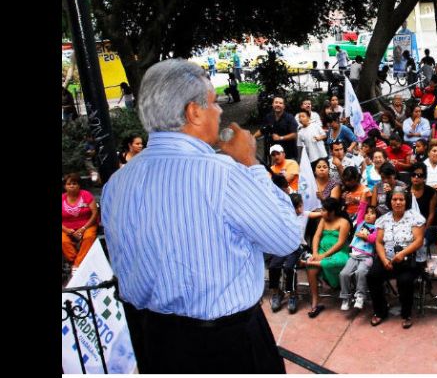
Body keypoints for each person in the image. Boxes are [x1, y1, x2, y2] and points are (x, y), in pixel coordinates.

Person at [101, 59, 301, 373]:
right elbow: (287, 238)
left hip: (156, 343)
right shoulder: (223, 174)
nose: (220, 111)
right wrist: (250, 163)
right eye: (213, 103)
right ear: (194, 112)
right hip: (227, 346)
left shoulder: (117, 184)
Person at [366, 188, 426, 328]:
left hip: (408, 259)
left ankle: (406, 314)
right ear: (390, 201)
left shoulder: (415, 218)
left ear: (406, 201)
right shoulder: (383, 219)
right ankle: (380, 311)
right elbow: (379, 242)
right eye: (394, 199)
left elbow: (419, 241)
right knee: (372, 276)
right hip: (387, 258)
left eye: (401, 199)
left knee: (404, 281)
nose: (398, 202)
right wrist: (384, 259)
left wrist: (402, 253)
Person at [303, 197, 351, 318]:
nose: (321, 212)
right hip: (321, 252)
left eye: (324, 210)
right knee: (311, 269)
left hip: (338, 252)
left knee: (341, 261)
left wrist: (323, 256)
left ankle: (310, 263)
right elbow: (316, 237)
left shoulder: (343, 222)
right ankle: (315, 300)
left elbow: (340, 243)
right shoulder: (323, 220)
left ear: (332, 211)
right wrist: (315, 253)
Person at [267, 193, 313, 314]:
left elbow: (322, 213)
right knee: (273, 266)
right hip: (283, 245)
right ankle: (277, 293)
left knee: (289, 267)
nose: (298, 210)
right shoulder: (283, 217)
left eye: (299, 206)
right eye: (295, 207)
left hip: (298, 246)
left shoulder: (305, 214)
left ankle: (293, 295)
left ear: (302, 205)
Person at [339, 203, 378, 311]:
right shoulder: (360, 223)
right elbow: (361, 209)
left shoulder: (377, 228)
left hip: (367, 257)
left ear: (377, 217)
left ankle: (360, 297)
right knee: (344, 274)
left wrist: (365, 236)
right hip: (354, 255)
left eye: (372, 213)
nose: (368, 215)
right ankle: (346, 297)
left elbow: (374, 239)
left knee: (361, 272)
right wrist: (364, 198)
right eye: (367, 213)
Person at [62, 173, 99, 276]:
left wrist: (83, 228)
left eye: (74, 183)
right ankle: (76, 261)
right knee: (63, 241)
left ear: (79, 185)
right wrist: (66, 230)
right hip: (66, 227)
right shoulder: (62, 198)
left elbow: (95, 213)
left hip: (87, 225)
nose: (72, 186)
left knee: (89, 237)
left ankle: (76, 265)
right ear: (65, 186)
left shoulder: (86, 195)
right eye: (69, 184)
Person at [253, 96, 299, 160]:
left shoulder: (290, 118)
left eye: (280, 103)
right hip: (274, 153)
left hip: (288, 153)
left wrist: (280, 138)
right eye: (276, 102)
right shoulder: (269, 117)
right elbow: (262, 130)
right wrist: (252, 138)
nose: (278, 104)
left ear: (284, 106)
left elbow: (294, 135)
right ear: (272, 104)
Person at [409, 161, 437, 244]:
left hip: (424, 226)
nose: (416, 177)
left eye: (420, 175)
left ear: (424, 177)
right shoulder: (405, 191)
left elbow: (431, 214)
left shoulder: (431, 192)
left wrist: (425, 229)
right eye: (413, 175)